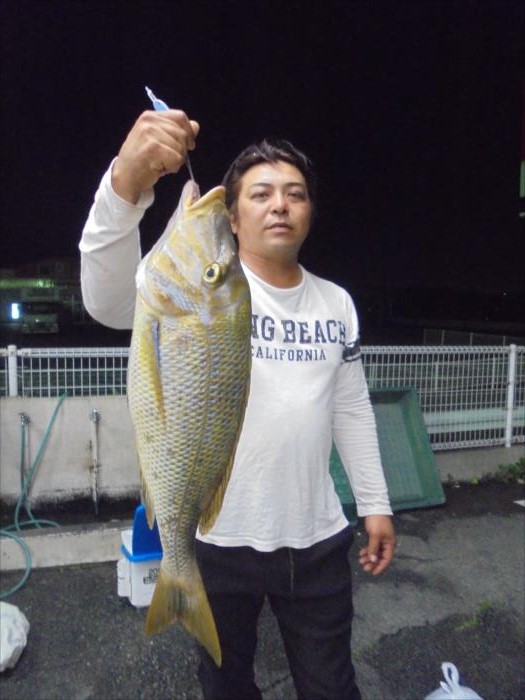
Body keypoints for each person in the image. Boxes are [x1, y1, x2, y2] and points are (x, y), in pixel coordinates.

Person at [79, 108, 396, 700]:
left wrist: (375, 503)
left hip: (317, 538)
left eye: (295, 194)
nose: (280, 205)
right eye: (261, 194)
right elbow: (105, 300)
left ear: (310, 211)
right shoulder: (197, 290)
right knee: (225, 685)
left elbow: (350, 408)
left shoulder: (336, 302)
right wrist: (124, 184)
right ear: (233, 217)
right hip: (217, 537)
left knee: (331, 685)